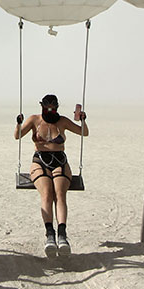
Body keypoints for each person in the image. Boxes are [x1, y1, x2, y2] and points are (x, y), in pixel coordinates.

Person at [15, 94, 88, 257]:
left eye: (52, 108)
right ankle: (50, 235)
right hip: (40, 160)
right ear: (42, 107)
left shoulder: (62, 121)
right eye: (46, 108)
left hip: (59, 161)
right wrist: (18, 123)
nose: (49, 111)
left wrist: (83, 120)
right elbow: (17, 136)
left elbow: (84, 133)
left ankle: (62, 235)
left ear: (56, 108)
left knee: (60, 195)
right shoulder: (35, 120)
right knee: (47, 194)